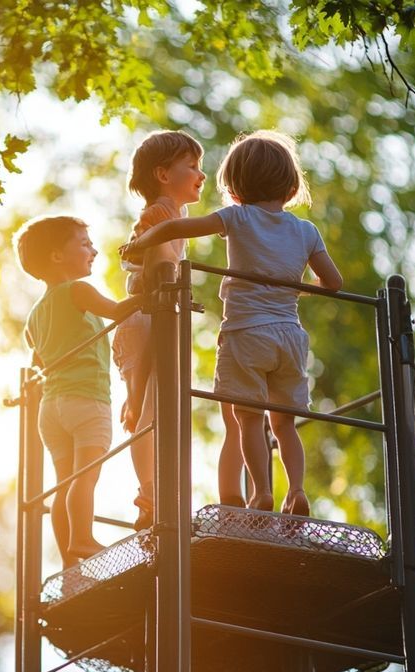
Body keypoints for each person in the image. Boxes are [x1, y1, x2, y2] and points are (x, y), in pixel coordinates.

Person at [119, 130, 343, 516]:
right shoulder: (306, 230)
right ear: (291, 187)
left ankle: (261, 492)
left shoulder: (236, 218)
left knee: (248, 419)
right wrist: (292, 287)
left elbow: (175, 230)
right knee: (285, 423)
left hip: (245, 334)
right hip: (290, 336)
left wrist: (142, 241)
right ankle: (297, 490)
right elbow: (333, 284)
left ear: (235, 188)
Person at [16, 215, 143, 567]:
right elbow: (119, 311)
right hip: (86, 401)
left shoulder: (35, 315)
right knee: (85, 479)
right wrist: (153, 294)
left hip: (51, 410)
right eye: (85, 244)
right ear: (58, 256)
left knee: (64, 483)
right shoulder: (78, 291)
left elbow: (38, 359)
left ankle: (70, 561)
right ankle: (83, 539)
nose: (94, 250)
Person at [113, 130, 206, 530]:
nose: (201, 174)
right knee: (146, 411)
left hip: (156, 315)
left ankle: (154, 494)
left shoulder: (174, 214)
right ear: (164, 174)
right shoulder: (161, 212)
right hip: (147, 317)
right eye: (193, 166)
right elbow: (159, 262)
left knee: (154, 409)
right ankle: (150, 495)